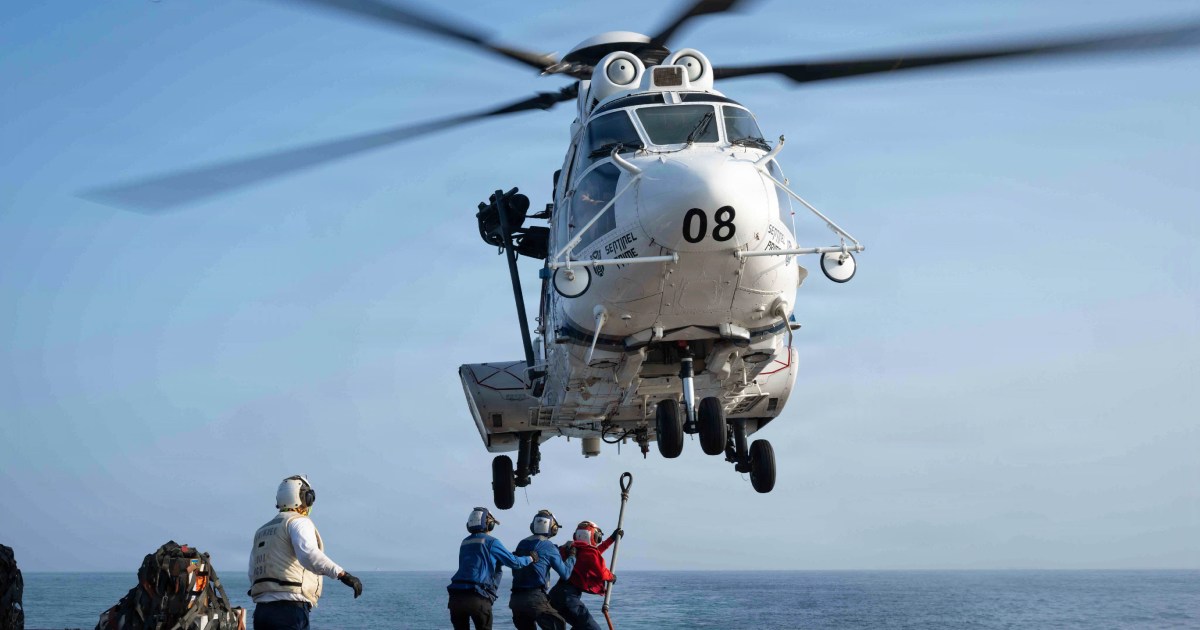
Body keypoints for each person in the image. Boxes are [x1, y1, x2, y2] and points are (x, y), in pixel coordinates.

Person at [248, 475, 362, 630]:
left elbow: (252, 571)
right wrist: (343, 575)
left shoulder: (262, 531)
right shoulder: (298, 522)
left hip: (262, 612)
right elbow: (309, 555)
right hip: (289, 610)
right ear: (304, 498)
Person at [447, 507, 536, 630]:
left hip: (455, 598)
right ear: (490, 524)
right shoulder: (491, 542)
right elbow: (515, 563)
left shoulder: (465, 542)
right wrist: (531, 558)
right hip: (477, 597)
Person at [549, 521, 622, 630]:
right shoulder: (589, 553)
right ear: (593, 536)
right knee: (592, 628)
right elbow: (601, 572)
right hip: (569, 598)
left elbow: (594, 555)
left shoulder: (570, 549)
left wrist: (611, 539)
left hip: (555, 596)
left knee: (580, 626)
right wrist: (611, 577)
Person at [510, 509, 576, 630]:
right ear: (553, 528)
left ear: (533, 526)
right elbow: (565, 574)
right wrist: (572, 556)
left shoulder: (522, 544)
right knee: (559, 625)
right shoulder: (549, 547)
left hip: (516, 600)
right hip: (534, 598)